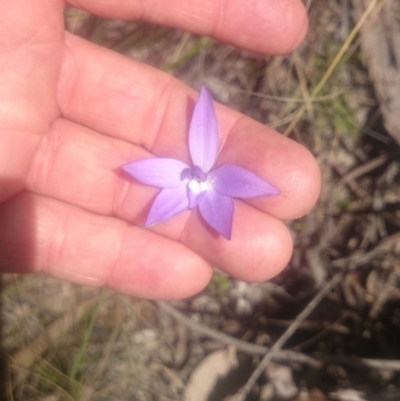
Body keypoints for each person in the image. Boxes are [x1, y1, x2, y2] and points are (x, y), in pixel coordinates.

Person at [0, 0, 320, 300]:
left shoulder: (205, 183)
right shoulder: (190, 173)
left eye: (197, 175)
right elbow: (146, 174)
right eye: (197, 175)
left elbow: (246, 190)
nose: (196, 174)